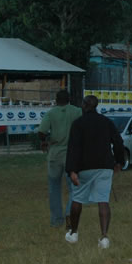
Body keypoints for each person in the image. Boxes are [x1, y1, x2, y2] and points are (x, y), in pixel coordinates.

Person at [64, 95, 125, 249]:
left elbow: (73, 148)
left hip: (84, 167)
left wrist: (72, 170)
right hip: (105, 166)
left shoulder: (78, 124)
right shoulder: (106, 122)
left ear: (84, 105)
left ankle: (74, 232)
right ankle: (104, 237)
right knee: (103, 200)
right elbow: (118, 142)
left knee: (77, 199)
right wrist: (119, 162)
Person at [37, 89, 82, 230]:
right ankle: (69, 214)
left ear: (56, 100)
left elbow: (41, 131)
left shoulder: (51, 113)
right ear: (69, 99)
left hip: (55, 154)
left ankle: (56, 220)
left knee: (54, 188)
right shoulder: (77, 111)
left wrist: (44, 141)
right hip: (72, 154)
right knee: (73, 188)